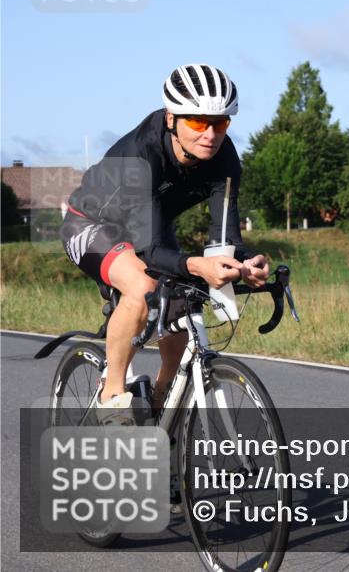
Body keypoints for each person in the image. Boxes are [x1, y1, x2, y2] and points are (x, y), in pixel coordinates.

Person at [61, 64, 270, 424]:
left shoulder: (224, 160)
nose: (210, 134)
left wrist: (246, 262)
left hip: (152, 227)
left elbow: (224, 239)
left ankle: (162, 413)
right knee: (143, 286)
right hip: (91, 225)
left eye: (219, 123)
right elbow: (154, 255)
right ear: (172, 118)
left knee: (183, 304)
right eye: (197, 122)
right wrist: (196, 265)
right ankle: (112, 396)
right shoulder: (142, 155)